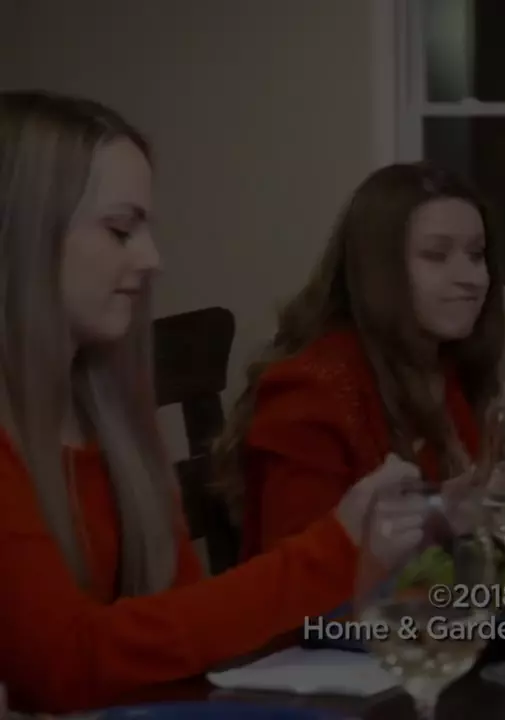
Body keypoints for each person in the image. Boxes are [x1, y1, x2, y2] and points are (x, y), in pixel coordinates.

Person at [0, 91, 446, 714]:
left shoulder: (111, 418)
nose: (152, 259)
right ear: (21, 237)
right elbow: (60, 665)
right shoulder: (318, 384)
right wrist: (336, 549)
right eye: (120, 229)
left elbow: (182, 625)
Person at [212, 162, 505, 560]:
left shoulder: (440, 361)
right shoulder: (311, 389)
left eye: (476, 255)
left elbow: (460, 518)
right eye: (437, 255)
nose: (470, 277)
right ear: (378, 269)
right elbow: (298, 574)